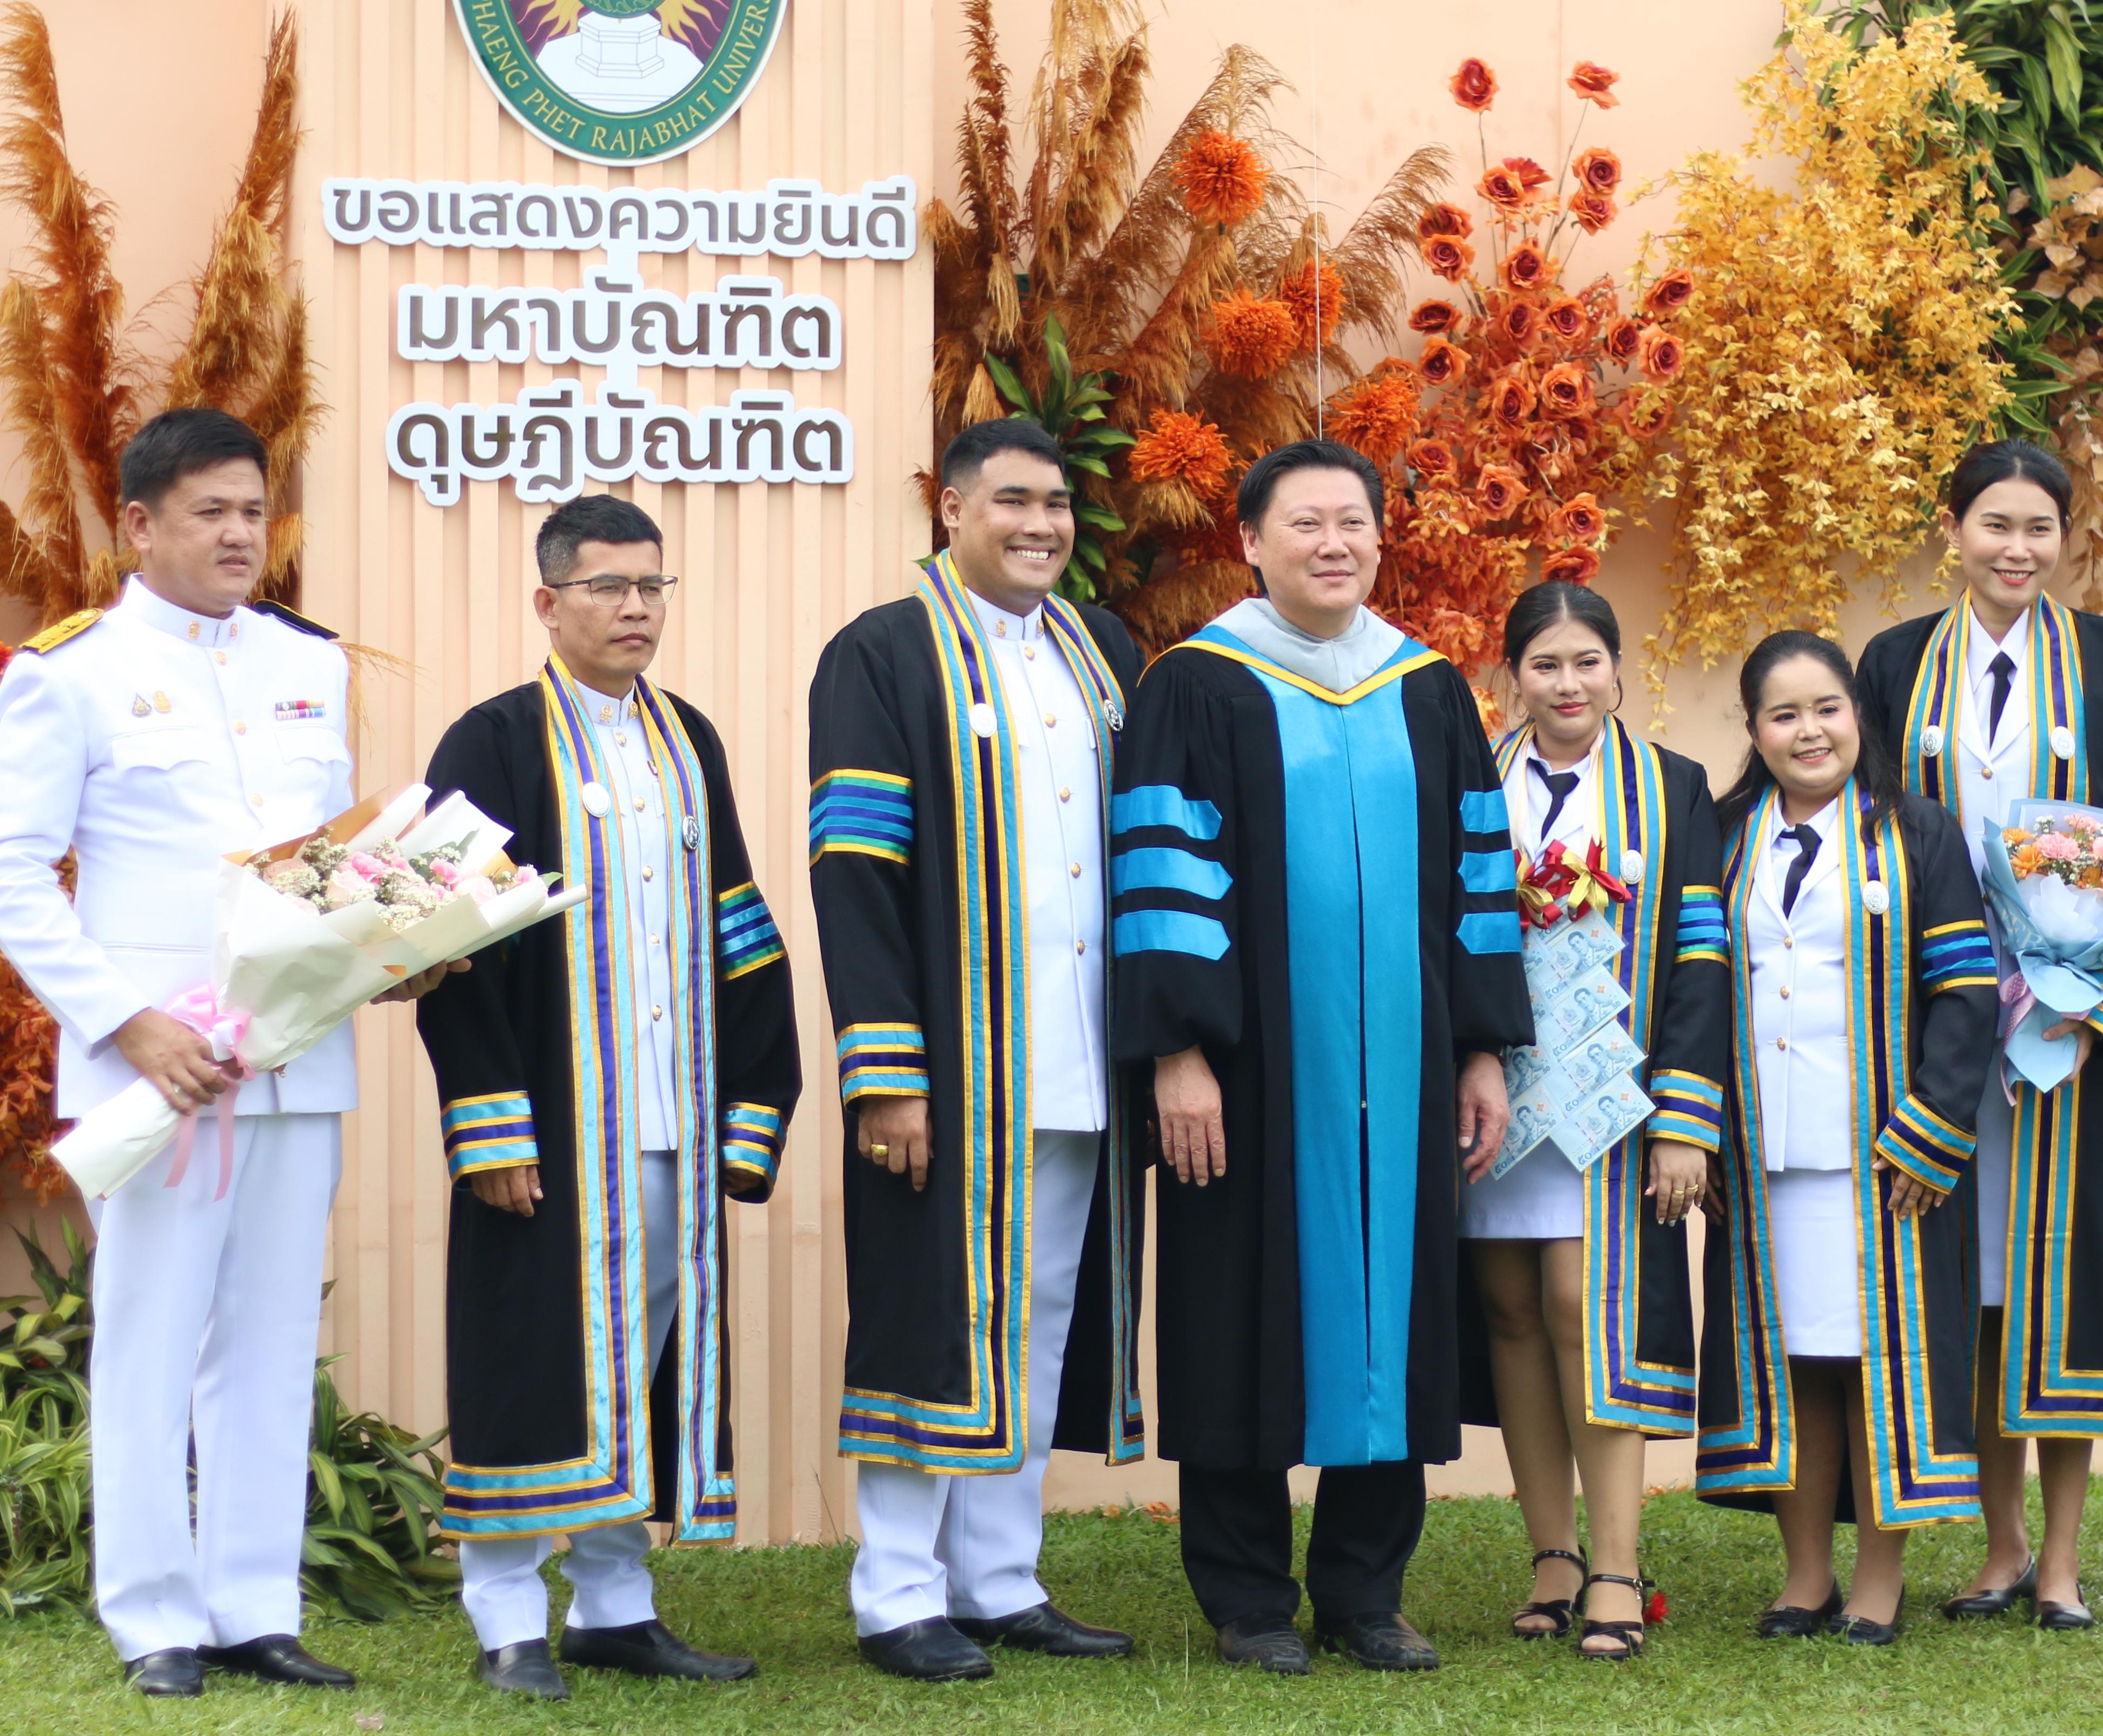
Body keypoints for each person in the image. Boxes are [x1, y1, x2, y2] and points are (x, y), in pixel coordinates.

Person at [0, 409, 447, 1696]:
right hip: (157, 1067)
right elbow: (5, 874)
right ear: (138, 524)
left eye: (253, 511)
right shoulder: (70, 671)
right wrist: (126, 1022)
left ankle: (252, 1605)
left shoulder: (308, 662)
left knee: (274, 1333)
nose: (241, 535)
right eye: (211, 512)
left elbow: (317, 863)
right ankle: (152, 1618)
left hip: (294, 1059)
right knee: (152, 1334)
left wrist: (401, 937)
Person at [1108, 440, 1535, 1676]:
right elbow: (1160, 878)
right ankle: (1245, 1599)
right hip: (1248, 1075)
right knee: (1234, 1300)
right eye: (1305, 523)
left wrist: (1476, 1050)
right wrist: (1175, 1053)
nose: (1333, 543)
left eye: (1352, 521)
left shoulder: (1423, 688)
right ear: (1249, 541)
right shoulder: (1194, 684)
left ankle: (1363, 1590)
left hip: (1397, 1074)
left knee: (1392, 1315)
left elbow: (1474, 879)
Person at [416, 494, 802, 1699]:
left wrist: (755, 1099)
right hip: (556, 1125)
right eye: (607, 588)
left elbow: (742, 925)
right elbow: (444, 947)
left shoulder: (688, 739)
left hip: (674, 1111)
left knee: (647, 1360)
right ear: (549, 601)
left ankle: (616, 1606)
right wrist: (488, 1123)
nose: (636, 608)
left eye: (652, 587)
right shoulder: (489, 744)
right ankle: (505, 1619)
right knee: (536, 1362)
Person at [806, 419, 1147, 1682]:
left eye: (1056, 505)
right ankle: (897, 1592)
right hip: (951, 1066)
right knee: (927, 1313)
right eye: (1011, 501)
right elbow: (853, 871)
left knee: (1042, 1316)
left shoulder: (1100, 651)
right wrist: (885, 1069)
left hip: (1076, 1052)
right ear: (948, 509)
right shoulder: (882, 654)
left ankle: (999, 1578)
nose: (1040, 525)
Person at [1853, 442, 2103, 1632]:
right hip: (1939, 1022)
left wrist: (2101, 1006)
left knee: (2062, 1285)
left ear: (2064, 537)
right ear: (1953, 528)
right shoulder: (1896, 662)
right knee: (1977, 1281)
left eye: (2040, 527)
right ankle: (1995, 1550)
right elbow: (1868, 828)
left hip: (2068, 1026)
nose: (2017, 548)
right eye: (1995, 523)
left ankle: (2060, 1561)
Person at [1693, 632, 1997, 1646]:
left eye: (1824, 707)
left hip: (1882, 1154)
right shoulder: (1724, 835)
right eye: (1782, 714)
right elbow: (1691, 983)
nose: (1807, 729)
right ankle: (1803, 1576)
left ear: (1856, 714)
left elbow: (1965, 991)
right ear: (1752, 731)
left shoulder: (1917, 832)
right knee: (1793, 1361)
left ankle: (1878, 1576)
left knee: (1878, 1363)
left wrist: (1932, 1126)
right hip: (1763, 1146)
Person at [1460, 582, 1732, 1661]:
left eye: (1586, 662)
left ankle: (1617, 1566)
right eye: (1544, 665)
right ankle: (1551, 1558)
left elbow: (1704, 963)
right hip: (1497, 1083)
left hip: (1618, 1094)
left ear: (1620, 669)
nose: (1567, 684)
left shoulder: (1672, 790)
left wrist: (1686, 1118)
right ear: (1511, 676)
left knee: (1585, 1306)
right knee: (1512, 1307)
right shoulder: (1471, 783)